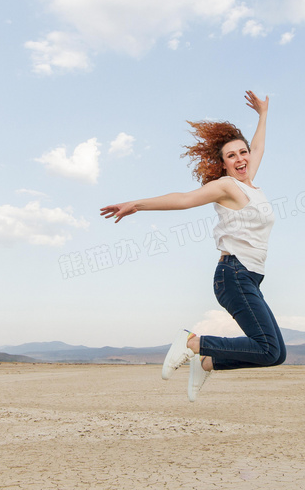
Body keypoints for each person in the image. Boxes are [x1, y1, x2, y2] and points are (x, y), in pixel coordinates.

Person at [100, 90, 286, 402]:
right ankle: (191, 342)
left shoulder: (250, 183)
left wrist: (263, 114)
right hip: (234, 275)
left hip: (250, 279)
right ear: (223, 164)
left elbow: (259, 145)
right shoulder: (226, 186)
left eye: (243, 153)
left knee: (275, 354)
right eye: (232, 156)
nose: (241, 158)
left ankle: (208, 361)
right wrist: (137, 204)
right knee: (266, 346)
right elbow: (184, 200)